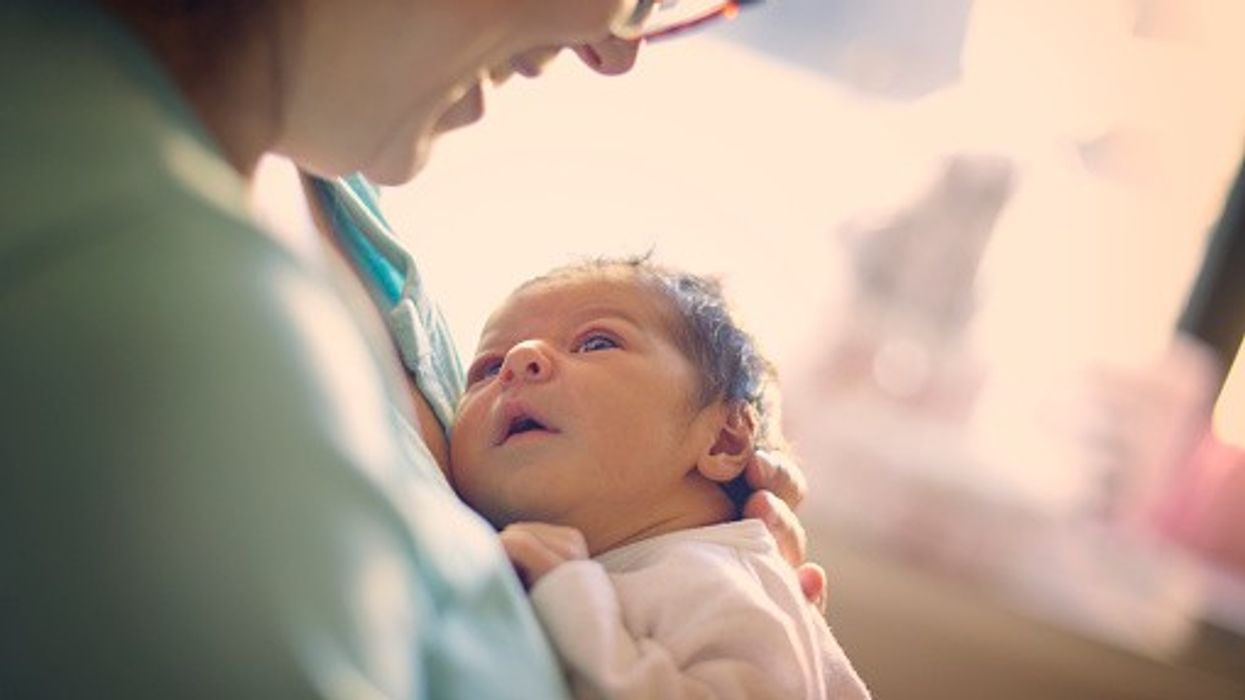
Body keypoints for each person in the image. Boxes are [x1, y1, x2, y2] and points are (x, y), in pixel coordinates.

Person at [1, 0, 825, 697]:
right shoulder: (134, 299)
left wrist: (684, 580)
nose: (616, 46)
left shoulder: (340, 192)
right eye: (489, 366)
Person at [450, 258, 870, 699]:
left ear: (723, 440)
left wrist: (570, 595)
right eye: (487, 369)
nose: (519, 360)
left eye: (595, 343)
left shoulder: (714, 578)